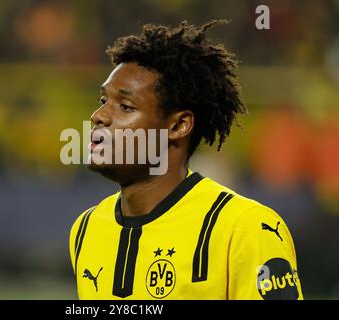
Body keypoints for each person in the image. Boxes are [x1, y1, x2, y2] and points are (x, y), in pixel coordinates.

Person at [69, 20, 303, 299]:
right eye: (102, 101)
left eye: (125, 106)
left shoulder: (243, 228)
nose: (99, 116)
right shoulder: (85, 229)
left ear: (178, 126)